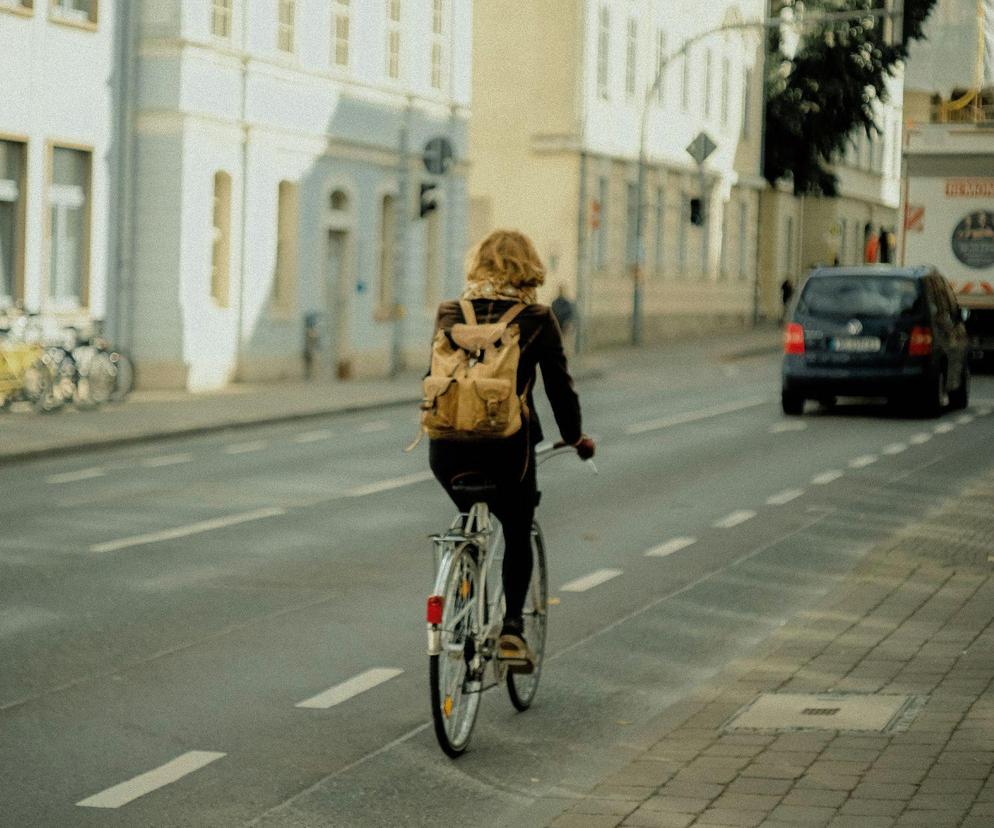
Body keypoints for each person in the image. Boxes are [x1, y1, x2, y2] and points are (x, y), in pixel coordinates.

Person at [427, 229, 595, 669]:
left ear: (478, 265)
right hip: (507, 452)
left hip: (445, 450)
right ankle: (513, 631)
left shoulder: (449, 313)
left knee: (468, 514)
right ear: (529, 269)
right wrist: (576, 437)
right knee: (518, 527)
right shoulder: (536, 318)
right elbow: (560, 390)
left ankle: (460, 592)